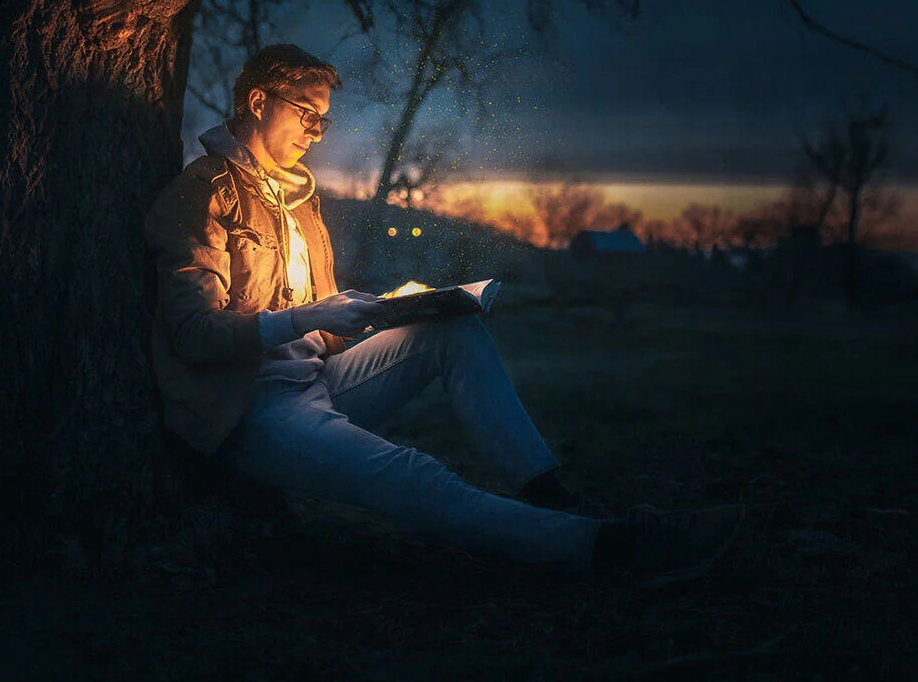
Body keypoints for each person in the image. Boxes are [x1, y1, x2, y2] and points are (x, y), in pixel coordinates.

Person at [144, 44, 743, 584]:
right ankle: (609, 549)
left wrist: (379, 310)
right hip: (248, 409)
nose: (318, 132)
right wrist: (305, 319)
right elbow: (193, 335)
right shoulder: (204, 193)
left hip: (315, 382)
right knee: (414, 474)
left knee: (452, 327)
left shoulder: (301, 200)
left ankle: (554, 497)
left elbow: (315, 326)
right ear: (257, 100)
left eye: (324, 119)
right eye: (308, 113)